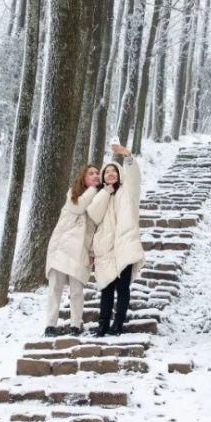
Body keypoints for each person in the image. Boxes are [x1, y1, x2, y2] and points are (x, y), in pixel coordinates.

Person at [87, 143, 144, 336]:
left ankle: (118, 324)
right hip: (105, 248)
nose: (110, 173)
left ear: (120, 174)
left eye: (114, 171)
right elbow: (94, 214)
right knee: (106, 288)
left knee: (122, 287)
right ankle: (102, 325)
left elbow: (134, 176)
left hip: (125, 244)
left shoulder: (128, 191)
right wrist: (106, 192)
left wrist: (127, 155)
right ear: (103, 177)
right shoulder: (100, 196)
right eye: (107, 172)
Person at [43, 164, 100, 336]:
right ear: (83, 178)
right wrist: (93, 189)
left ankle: (76, 324)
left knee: (76, 290)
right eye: (91, 173)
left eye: (97, 173)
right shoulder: (73, 195)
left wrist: (92, 252)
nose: (96, 176)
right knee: (55, 288)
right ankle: (50, 325)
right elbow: (79, 207)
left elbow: (95, 229)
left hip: (81, 249)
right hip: (62, 247)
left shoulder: (99, 199)